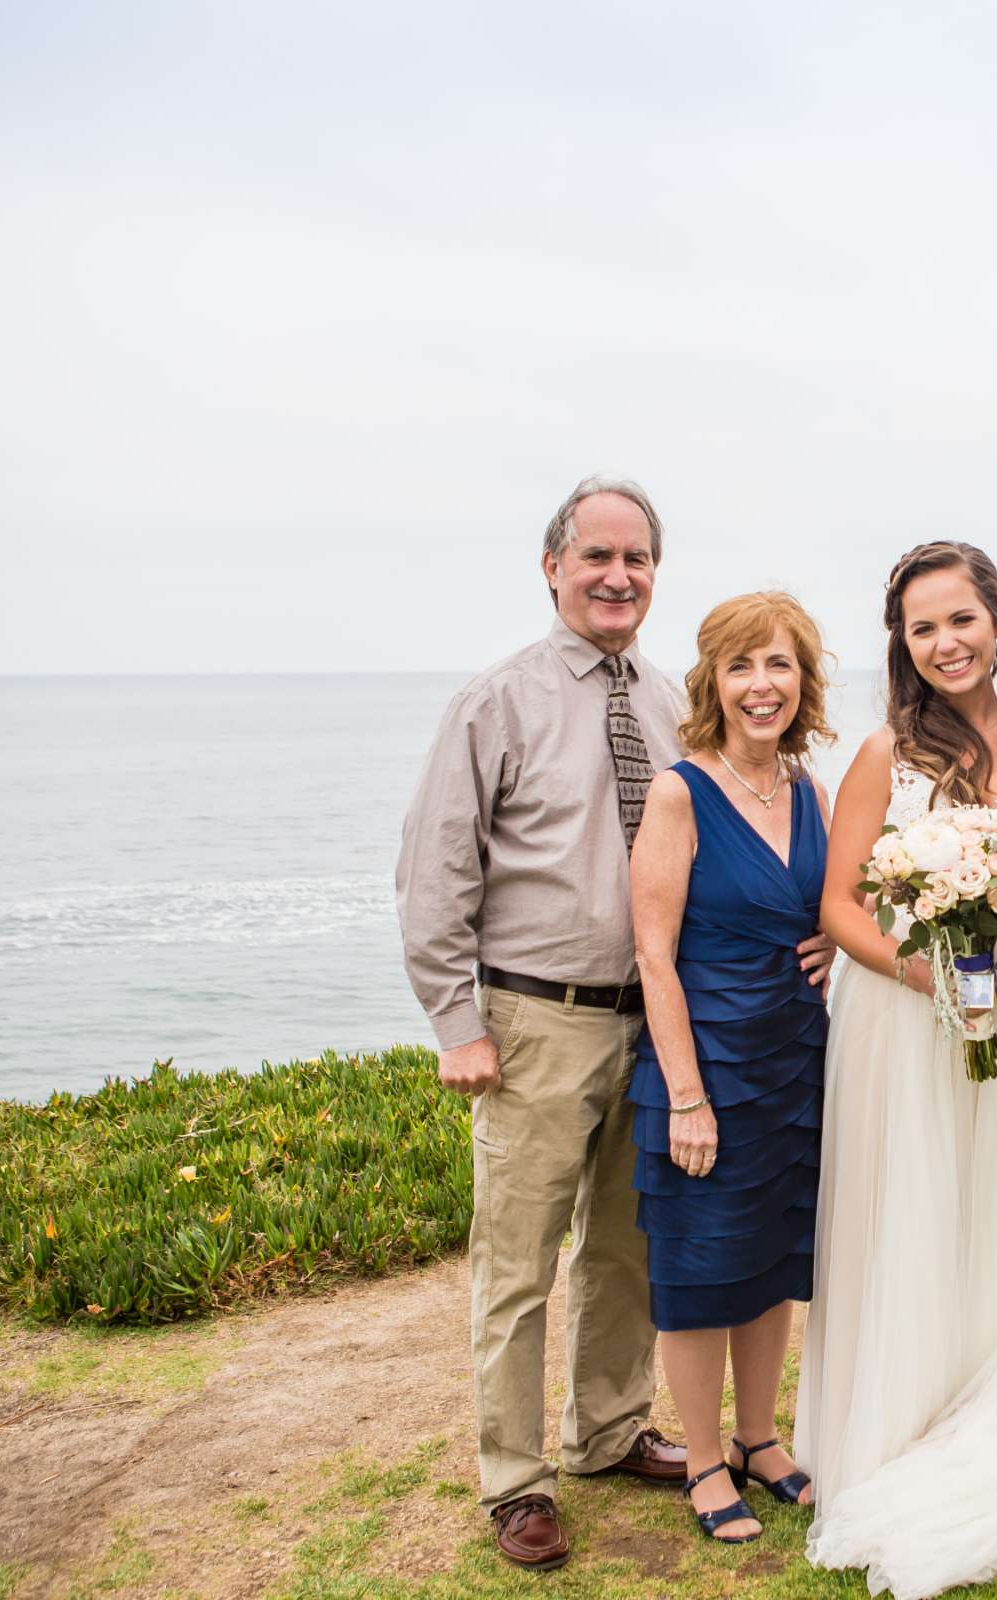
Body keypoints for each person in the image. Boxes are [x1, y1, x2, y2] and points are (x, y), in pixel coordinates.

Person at [796, 542, 997, 1598]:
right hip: (903, 1023)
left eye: (961, 620)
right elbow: (841, 905)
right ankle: (909, 1410)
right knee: (919, 1208)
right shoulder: (884, 750)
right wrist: (928, 973)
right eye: (922, 627)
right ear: (904, 642)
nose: (945, 643)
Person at [397, 477, 713, 1570]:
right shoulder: (497, 701)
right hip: (536, 1022)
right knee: (518, 1263)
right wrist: (456, 1022)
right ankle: (515, 1480)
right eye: (596, 557)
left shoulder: (676, 701)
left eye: (636, 560)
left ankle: (608, 1429)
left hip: (656, 1022)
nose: (617, 577)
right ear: (554, 568)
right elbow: (434, 869)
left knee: (630, 1247)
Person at [629, 591, 835, 1545]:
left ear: (804, 680)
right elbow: (653, 954)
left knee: (771, 1259)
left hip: (796, 1062)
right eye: (742, 666)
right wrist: (686, 1096)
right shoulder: (680, 791)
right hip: (706, 1065)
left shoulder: (811, 791)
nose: (763, 686)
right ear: (712, 679)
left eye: (780, 665)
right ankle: (706, 1460)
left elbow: (833, 915)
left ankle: (760, 1438)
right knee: (701, 1267)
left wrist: (833, 946)